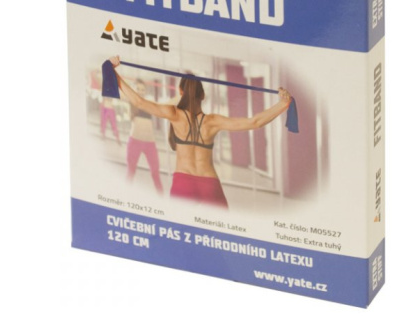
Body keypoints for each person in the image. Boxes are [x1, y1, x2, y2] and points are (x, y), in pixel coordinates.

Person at [109, 56, 292, 209]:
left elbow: (139, 102)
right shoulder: (212, 121)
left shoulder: (174, 114)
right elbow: (255, 122)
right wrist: (283, 104)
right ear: (203, 95)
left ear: (180, 92)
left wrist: (113, 73)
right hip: (209, 184)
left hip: (183, 182)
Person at [126, 79, 163, 194]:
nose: (140, 91)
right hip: (134, 142)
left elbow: (165, 104)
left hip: (149, 144)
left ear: (145, 91)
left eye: (142, 89)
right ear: (134, 90)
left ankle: (161, 197)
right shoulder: (131, 102)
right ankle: (124, 196)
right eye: (138, 89)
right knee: (131, 172)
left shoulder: (148, 104)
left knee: (155, 173)